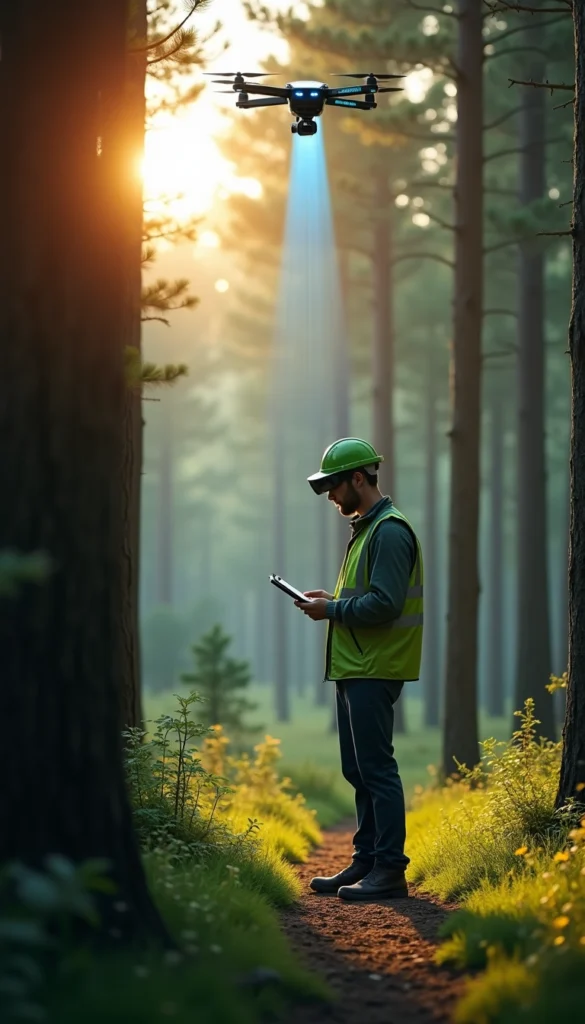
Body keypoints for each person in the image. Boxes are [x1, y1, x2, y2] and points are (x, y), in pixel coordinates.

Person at [295, 437, 424, 901]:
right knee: (359, 769)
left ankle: (389, 869)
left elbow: (386, 605)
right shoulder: (368, 528)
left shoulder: (389, 531)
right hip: (356, 666)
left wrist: (331, 612)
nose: (330, 497)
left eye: (333, 486)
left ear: (358, 478)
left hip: (375, 667)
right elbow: (365, 597)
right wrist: (331, 602)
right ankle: (366, 860)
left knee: (377, 769)